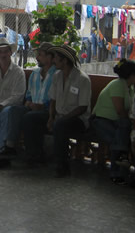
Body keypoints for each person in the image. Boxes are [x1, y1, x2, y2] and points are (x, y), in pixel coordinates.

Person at [92, 59, 135, 185]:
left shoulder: (130, 88)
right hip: (101, 121)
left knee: (119, 137)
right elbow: (120, 111)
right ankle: (119, 171)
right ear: (132, 75)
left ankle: (117, 172)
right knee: (122, 132)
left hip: (117, 124)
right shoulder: (118, 84)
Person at [47, 45, 91, 178]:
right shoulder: (57, 76)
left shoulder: (82, 79)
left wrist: (63, 118)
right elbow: (53, 100)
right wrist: (51, 117)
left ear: (64, 61)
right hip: (60, 115)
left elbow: (82, 107)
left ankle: (62, 165)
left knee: (60, 125)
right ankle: (34, 156)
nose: (53, 60)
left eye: (56, 58)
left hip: (78, 119)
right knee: (31, 118)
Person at [17, 42, 57, 168]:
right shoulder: (35, 74)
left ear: (50, 58)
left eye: (40, 55)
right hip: (33, 108)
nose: (37, 57)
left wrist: (42, 106)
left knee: (30, 118)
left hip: (50, 111)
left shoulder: (57, 75)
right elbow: (29, 94)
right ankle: (9, 147)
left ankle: (34, 155)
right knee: (13, 111)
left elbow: (57, 98)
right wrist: (29, 102)